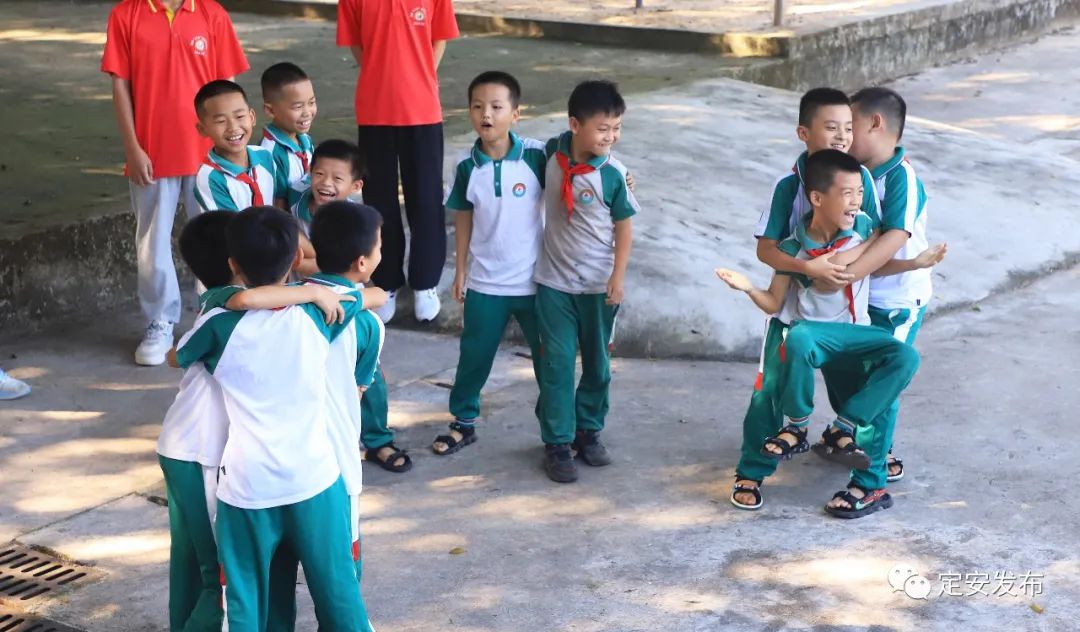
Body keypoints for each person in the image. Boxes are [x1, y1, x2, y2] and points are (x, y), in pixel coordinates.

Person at [173, 206, 369, 630]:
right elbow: (365, 296)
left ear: (232, 265)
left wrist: (248, 298)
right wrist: (311, 292)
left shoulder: (217, 326)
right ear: (296, 258)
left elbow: (180, 355)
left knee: (244, 602)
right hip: (314, 479)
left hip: (248, 487)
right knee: (339, 592)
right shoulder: (322, 312)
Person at [716, 150, 933, 519]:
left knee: (904, 357)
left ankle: (844, 429)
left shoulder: (864, 227)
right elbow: (774, 300)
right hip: (812, 335)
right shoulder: (792, 245)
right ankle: (794, 430)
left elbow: (870, 265)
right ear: (816, 197)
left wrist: (913, 262)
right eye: (848, 193)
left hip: (853, 333)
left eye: (859, 193)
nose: (857, 201)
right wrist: (748, 287)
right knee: (793, 345)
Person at [101, 0, 248, 366]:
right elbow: (121, 87)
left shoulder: (212, 14)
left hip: (209, 156)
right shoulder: (126, 15)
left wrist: (232, 146)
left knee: (219, 238)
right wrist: (133, 148)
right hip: (152, 153)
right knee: (152, 243)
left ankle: (216, 314)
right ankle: (160, 321)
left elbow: (228, 88)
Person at [431, 71, 546, 456]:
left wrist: (621, 175)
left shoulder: (537, 155)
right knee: (474, 356)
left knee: (549, 358)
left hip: (535, 281)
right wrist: (461, 269)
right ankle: (463, 422)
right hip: (485, 283)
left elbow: (581, 167)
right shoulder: (465, 165)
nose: (486, 114)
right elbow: (463, 216)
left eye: (497, 107)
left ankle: (558, 428)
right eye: (478, 106)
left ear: (516, 113)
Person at [534, 80, 639, 483]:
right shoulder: (550, 153)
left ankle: (588, 430)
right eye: (602, 129)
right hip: (554, 283)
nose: (610, 137)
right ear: (574, 125)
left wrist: (618, 277)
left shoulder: (613, 174)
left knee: (598, 364)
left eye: (617, 128)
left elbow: (624, 228)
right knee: (557, 363)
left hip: (598, 287)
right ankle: (558, 442)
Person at [843, 86, 944, 482]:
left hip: (895, 302)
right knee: (858, 380)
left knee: (882, 384)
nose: (843, 135)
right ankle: (873, 447)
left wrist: (848, 273)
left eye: (849, 126)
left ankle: (870, 483)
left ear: (875, 123)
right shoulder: (859, 174)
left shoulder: (901, 178)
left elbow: (894, 237)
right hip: (862, 297)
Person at [336, 0, 460, 323]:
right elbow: (358, 46)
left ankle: (425, 282)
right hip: (374, 109)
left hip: (422, 109)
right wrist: (381, 74)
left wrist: (418, 74)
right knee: (379, 200)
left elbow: (439, 38)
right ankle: (386, 281)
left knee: (426, 197)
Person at [305, 202, 385, 630]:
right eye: (379, 247)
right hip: (336, 460)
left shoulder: (288, 298)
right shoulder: (368, 324)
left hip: (274, 460)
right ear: (362, 263)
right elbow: (358, 389)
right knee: (342, 572)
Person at [192, 81, 276, 213]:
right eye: (221, 121)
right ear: (202, 129)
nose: (233, 127)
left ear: (252, 117)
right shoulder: (209, 178)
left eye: (240, 116)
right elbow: (232, 225)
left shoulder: (264, 155)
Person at [260, 62, 317, 207]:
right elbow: (277, 204)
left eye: (311, 102)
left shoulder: (305, 139)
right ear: (270, 111)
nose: (307, 112)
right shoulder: (271, 152)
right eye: (298, 107)